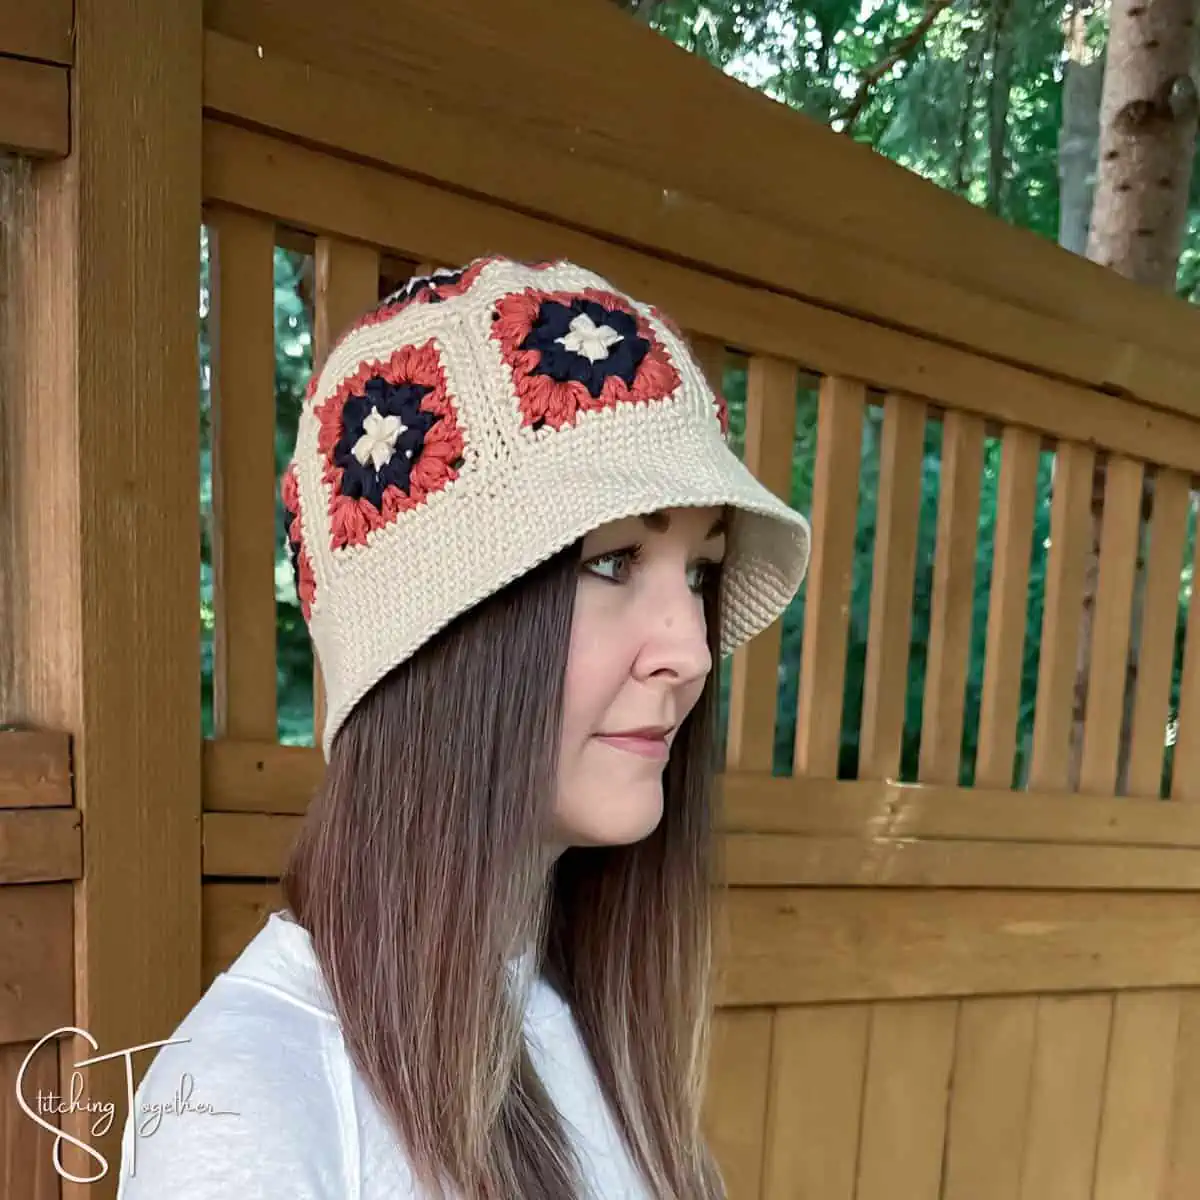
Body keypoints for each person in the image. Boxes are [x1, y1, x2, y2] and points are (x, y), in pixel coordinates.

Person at [116, 255, 811, 1199]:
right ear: (435, 644)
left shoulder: (587, 1020)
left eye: (696, 572)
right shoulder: (252, 1110)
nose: (689, 648)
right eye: (612, 563)